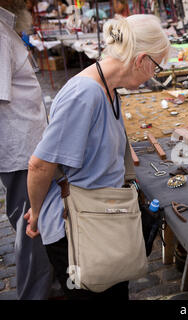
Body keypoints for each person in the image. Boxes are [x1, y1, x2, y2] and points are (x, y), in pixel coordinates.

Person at [25, 14, 170, 300]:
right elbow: (40, 164)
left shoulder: (108, 88)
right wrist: (37, 213)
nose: (153, 76)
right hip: (81, 228)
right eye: (156, 67)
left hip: (101, 220)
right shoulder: (86, 93)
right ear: (142, 60)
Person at [0, 0, 53, 300]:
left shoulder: (7, 27)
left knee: (36, 223)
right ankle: (34, 295)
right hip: (20, 152)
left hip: (26, 148)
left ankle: (48, 288)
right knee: (31, 227)